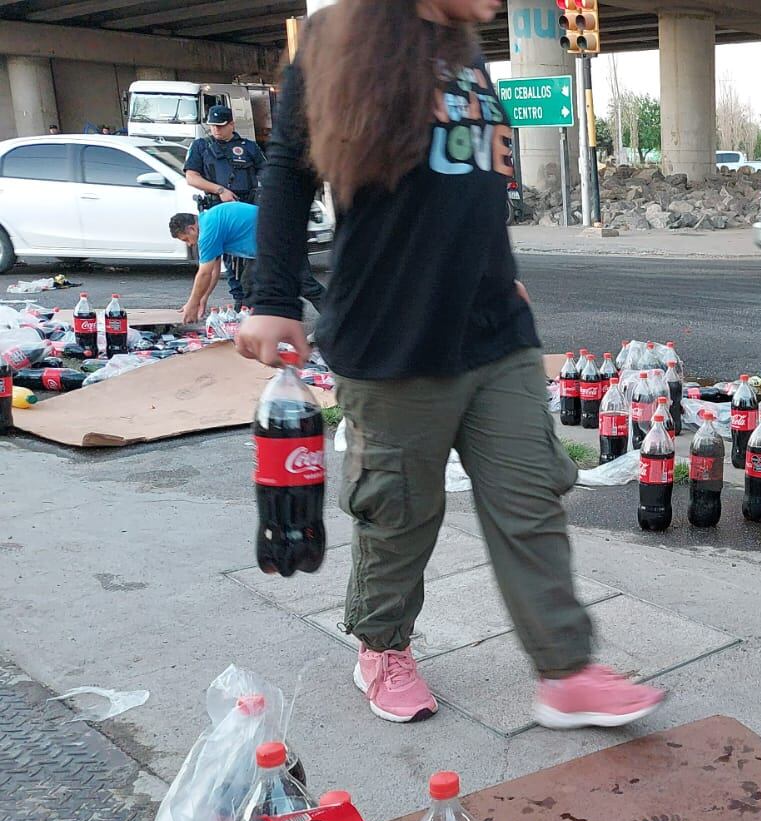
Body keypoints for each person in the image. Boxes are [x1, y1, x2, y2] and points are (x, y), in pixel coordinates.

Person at [241, 0, 665, 728]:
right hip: (390, 334)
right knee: (400, 512)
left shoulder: (466, 51)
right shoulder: (340, 37)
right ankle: (380, 645)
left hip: (492, 325)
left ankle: (565, 671)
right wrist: (273, 296)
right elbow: (287, 171)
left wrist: (500, 267)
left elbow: (469, 183)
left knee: (530, 494)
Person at [169, 206, 325, 323]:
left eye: (186, 239)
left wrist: (192, 303)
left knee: (304, 285)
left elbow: (204, 274)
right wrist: (202, 299)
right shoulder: (208, 221)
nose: (189, 245)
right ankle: (255, 327)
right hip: (268, 245)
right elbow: (213, 272)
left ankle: (340, 321)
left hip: (282, 240)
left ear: (191, 228)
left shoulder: (208, 231)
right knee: (250, 283)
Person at [185, 104, 267, 302]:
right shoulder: (201, 146)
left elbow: (267, 174)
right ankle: (240, 305)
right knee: (228, 267)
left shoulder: (248, 147)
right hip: (217, 210)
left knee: (251, 267)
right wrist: (220, 190)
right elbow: (192, 177)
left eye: (220, 126)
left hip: (246, 209)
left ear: (232, 124)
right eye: (212, 126)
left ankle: (248, 307)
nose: (216, 130)